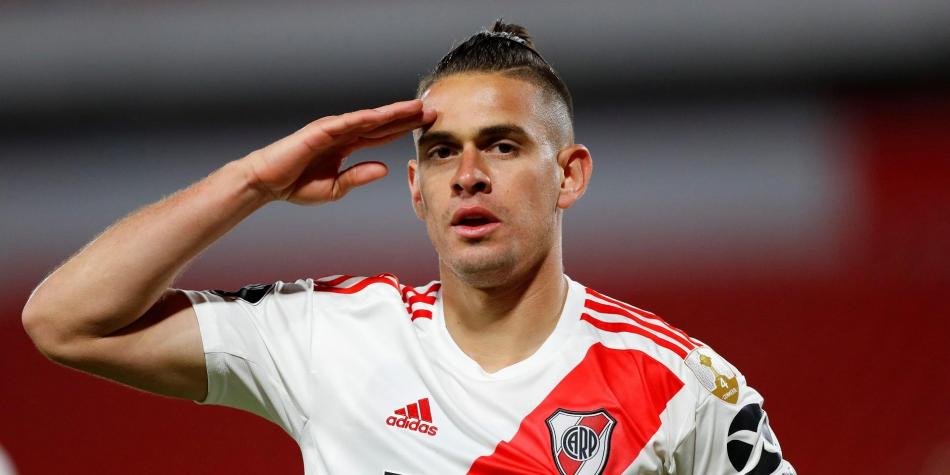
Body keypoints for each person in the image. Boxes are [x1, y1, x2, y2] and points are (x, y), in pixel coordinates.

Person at [22, 21, 794, 474]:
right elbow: (64, 321)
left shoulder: (678, 385)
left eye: (501, 145)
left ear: (569, 175)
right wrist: (252, 180)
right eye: (441, 151)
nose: (468, 175)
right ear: (417, 188)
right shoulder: (332, 333)